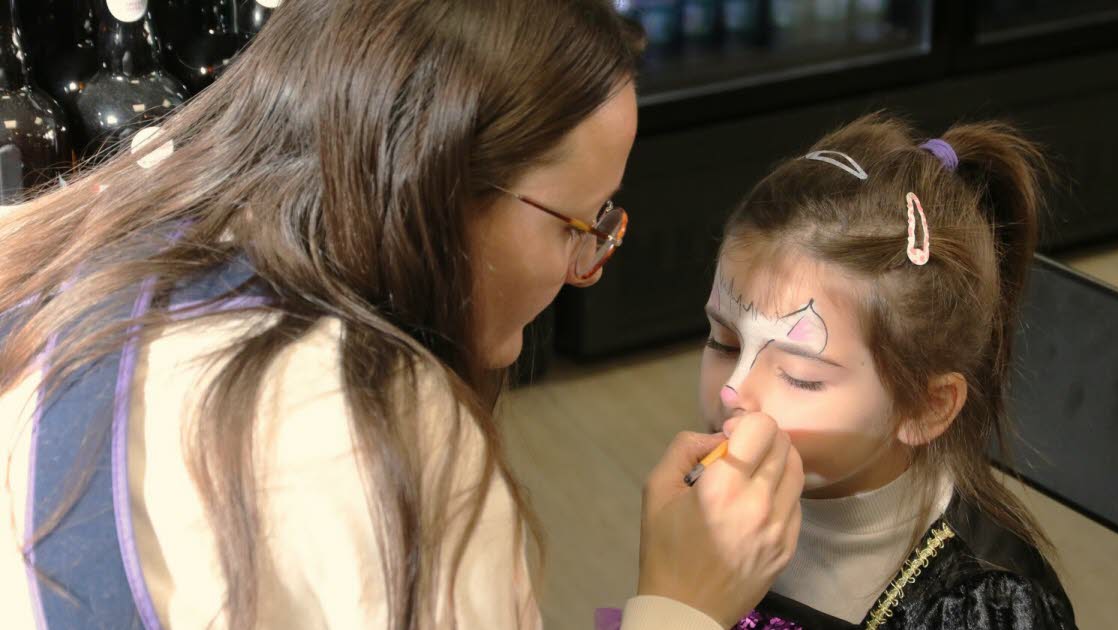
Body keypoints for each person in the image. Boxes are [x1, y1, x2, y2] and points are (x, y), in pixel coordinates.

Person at [0, 1, 801, 628]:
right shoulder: (386, 436)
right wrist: (680, 604)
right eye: (580, 225)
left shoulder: (78, 247)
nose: (579, 269)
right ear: (441, 189)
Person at [696, 113, 1077, 629]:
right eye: (724, 342)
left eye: (801, 375)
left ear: (925, 405)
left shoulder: (978, 607)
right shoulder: (711, 495)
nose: (733, 390)